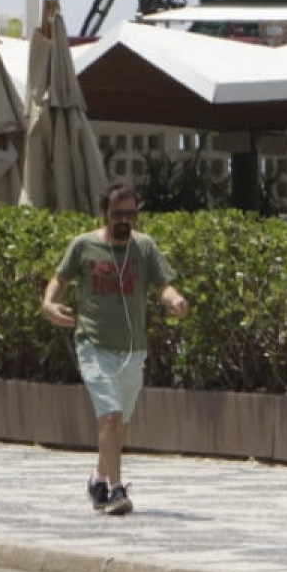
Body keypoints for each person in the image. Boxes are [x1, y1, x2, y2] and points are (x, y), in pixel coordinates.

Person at [40, 179, 188, 516]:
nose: (124, 220)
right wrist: (49, 304)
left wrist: (175, 300)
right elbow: (59, 279)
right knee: (110, 416)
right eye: (118, 213)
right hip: (93, 344)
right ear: (105, 212)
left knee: (119, 426)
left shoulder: (144, 247)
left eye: (131, 214)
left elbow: (163, 285)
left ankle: (97, 478)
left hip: (132, 349)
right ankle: (116, 490)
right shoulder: (83, 246)